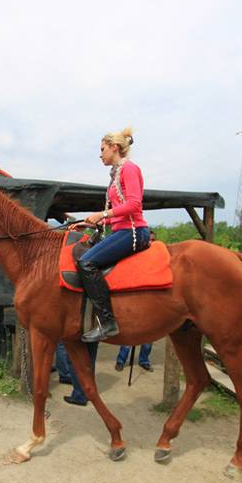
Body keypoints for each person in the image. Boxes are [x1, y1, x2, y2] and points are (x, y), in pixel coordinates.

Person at [73, 127, 150, 343]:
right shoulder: (117, 172)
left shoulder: (129, 169)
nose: (100, 154)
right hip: (122, 229)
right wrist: (89, 222)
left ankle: (108, 322)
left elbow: (134, 204)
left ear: (114, 148)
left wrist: (102, 214)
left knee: (86, 262)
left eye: (102, 149)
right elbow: (117, 214)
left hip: (133, 231)